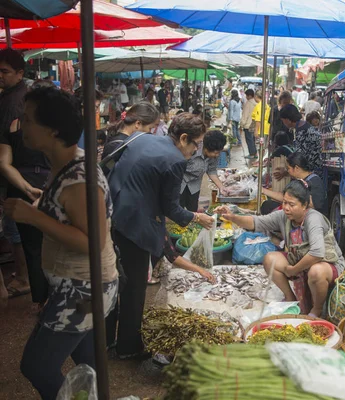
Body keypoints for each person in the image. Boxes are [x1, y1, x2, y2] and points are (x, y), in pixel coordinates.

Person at [4, 87, 118, 399]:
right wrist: (45, 204)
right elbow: (71, 214)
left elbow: (92, 243)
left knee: (37, 366)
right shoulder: (63, 164)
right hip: (77, 285)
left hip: (84, 287)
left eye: (27, 120)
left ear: (53, 130)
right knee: (88, 360)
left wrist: (33, 217)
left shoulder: (80, 180)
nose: (20, 125)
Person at [106, 113, 212, 358]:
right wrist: (197, 217)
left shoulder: (142, 137)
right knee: (134, 288)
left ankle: (107, 338)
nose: (196, 150)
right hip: (133, 224)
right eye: (195, 144)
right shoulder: (175, 160)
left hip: (111, 211)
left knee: (112, 281)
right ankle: (128, 348)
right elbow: (171, 209)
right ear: (183, 138)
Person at [215, 180, 345, 317]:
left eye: (291, 204)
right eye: (284, 202)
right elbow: (256, 222)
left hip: (328, 265)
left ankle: (317, 310)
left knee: (316, 271)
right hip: (301, 261)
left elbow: (317, 253)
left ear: (304, 205)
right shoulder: (283, 216)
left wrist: (293, 270)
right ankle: (290, 298)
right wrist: (232, 217)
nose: (286, 207)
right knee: (270, 259)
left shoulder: (313, 219)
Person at [0, 48, 49, 307]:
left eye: (4, 71)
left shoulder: (10, 108)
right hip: (39, 182)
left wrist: (26, 188)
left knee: (34, 247)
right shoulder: (20, 104)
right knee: (43, 244)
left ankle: (43, 300)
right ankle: (45, 299)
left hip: (28, 184)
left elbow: (4, 163)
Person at [262, 152, 327, 216]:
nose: (287, 171)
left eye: (288, 168)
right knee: (268, 205)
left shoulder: (314, 182)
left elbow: (316, 207)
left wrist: (263, 190)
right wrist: (263, 190)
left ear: (296, 168)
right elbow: (285, 197)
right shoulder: (301, 180)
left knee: (268, 206)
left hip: (310, 217)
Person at [180, 129, 229, 211]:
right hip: (180, 183)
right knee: (178, 210)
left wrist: (221, 187)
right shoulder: (192, 150)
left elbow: (211, 170)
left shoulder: (213, 156)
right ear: (205, 148)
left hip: (194, 185)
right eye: (216, 153)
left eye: (218, 153)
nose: (217, 155)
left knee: (193, 208)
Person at [280, 104, 323, 176]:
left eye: (283, 121)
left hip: (312, 174)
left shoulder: (303, 132)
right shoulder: (303, 127)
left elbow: (300, 158)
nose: (283, 123)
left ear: (288, 120)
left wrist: (287, 171)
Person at [241, 89, 257, 159]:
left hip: (247, 125)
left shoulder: (248, 104)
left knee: (249, 140)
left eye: (246, 95)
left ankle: (252, 154)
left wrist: (241, 124)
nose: (246, 97)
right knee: (252, 140)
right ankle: (255, 153)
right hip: (254, 124)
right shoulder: (256, 103)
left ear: (249, 95)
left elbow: (245, 115)